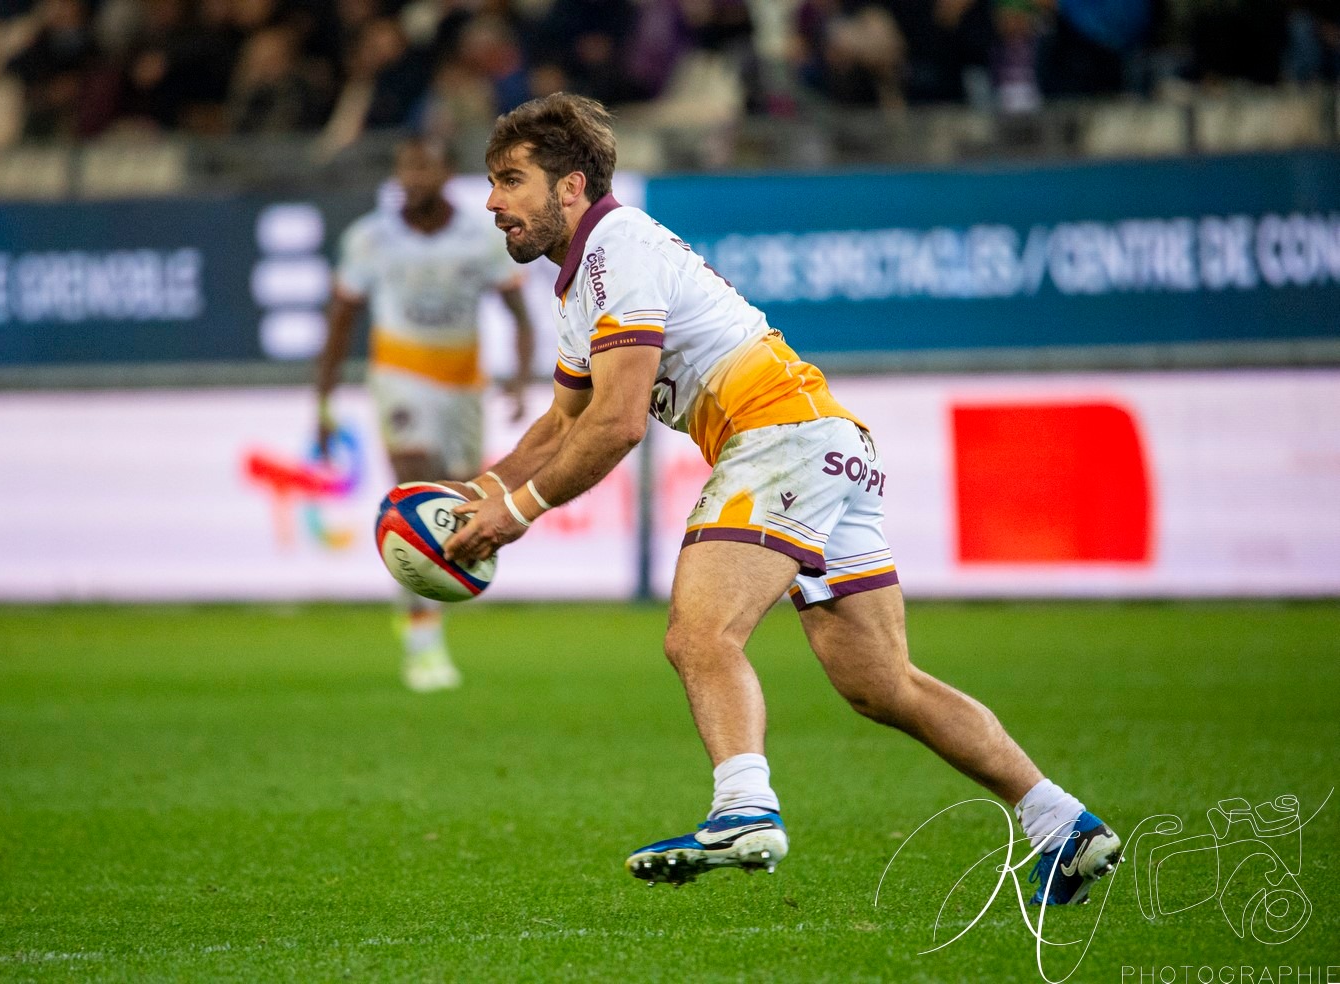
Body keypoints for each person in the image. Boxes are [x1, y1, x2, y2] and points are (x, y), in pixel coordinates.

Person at [444, 93, 1121, 904]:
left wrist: (515, 517)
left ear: (571, 186)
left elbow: (619, 424)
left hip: (781, 438)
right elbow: (565, 423)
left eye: (509, 179)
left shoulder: (614, 247)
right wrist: (479, 491)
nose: (490, 202)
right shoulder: (579, 283)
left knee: (700, 636)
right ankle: (1064, 824)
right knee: (882, 684)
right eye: (490, 181)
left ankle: (743, 808)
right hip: (826, 441)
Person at [316, 134, 534, 694]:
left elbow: (518, 312)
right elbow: (340, 320)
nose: (412, 179)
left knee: (456, 501)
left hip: (463, 386)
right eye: (405, 168)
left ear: (446, 175)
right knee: (415, 487)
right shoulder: (370, 238)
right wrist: (324, 400)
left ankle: (424, 602)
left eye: (424, 168)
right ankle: (422, 637)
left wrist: (519, 377)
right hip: (400, 377)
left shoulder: (480, 238)